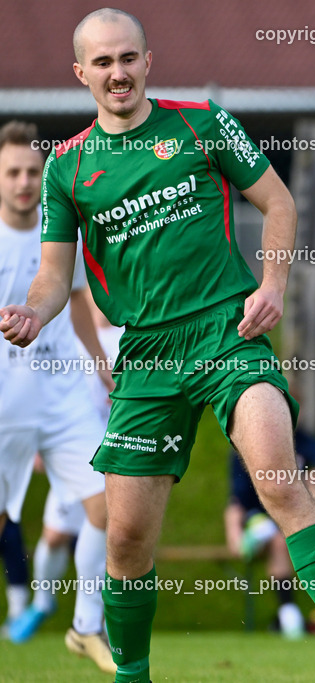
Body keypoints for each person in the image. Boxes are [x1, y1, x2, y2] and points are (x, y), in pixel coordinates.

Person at [0, 9, 315, 682]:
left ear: (148, 61)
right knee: (125, 538)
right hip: (147, 354)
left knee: (277, 478)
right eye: (103, 62)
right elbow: (55, 275)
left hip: (229, 332)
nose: (118, 72)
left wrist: (273, 284)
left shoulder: (203, 124)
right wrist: (32, 311)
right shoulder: (68, 167)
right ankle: (132, 674)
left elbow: (279, 203)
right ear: (81, 73)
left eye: (128, 58)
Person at [0, 119, 115, 673]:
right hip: (7, 404)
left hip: (66, 397)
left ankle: (86, 625)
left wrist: (100, 366)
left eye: (32, 171)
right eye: (13, 173)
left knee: (110, 506)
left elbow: (75, 301)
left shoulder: (61, 226)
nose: (25, 181)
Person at [225, 426, 315, 639]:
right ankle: (290, 615)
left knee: (282, 537)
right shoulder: (246, 446)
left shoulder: (308, 444)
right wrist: (234, 533)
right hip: (259, 518)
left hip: (297, 518)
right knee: (278, 539)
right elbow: (237, 501)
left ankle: (290, 614)